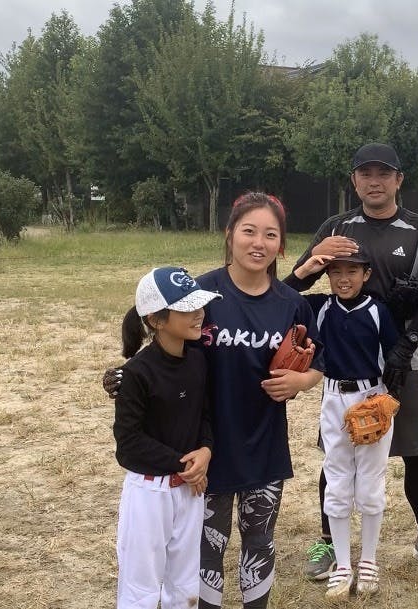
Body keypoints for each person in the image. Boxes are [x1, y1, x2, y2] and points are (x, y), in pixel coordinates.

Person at [104, 193, 325, 609]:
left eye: (271, 234)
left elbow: (320, 362)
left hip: (262, 443)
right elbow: (161, 351)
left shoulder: (291, 304)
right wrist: (125, 377)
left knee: (259, 542)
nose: (259, 242)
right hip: (203, 449)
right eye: (249, 231)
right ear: (229, 234)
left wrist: (302, 380)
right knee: (204, 550)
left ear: (281, 244)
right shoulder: (202, 294)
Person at [289, 143, 418, 578]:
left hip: (402, 359)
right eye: (365, 173)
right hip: (346, 363)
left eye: (384, 173)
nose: (374, 181)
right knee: (337, 455)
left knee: (415, 451)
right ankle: (328, 541)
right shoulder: (336, 227)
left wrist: (408, 343)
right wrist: (315, 255)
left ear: (399, 180)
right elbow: (296, 285)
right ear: (354, 180)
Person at [287, 248, 400, 598]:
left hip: (371, 396)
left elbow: (395, 357)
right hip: (334, 396)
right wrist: (308, 267)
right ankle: (342, 563)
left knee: (370, 481)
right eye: (336, 271)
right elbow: (283, 296)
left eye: (353, 271)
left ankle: (368, 560)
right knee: (336, 479)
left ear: (367, 274)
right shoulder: (320, 306)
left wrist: (390, 400)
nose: (344, 278)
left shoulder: (378, 310)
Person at [113, 266, 218, 609]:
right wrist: (184, 464)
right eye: (186, 308)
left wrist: (206, 450)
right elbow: (128, 444)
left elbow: (204, 415)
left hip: (190, 490)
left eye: (199, 305)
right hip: (150, 492)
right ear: (156, 320)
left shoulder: (198, 361)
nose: (198, 314)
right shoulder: (136, 373)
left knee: (185, 586)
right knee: (141, 590)